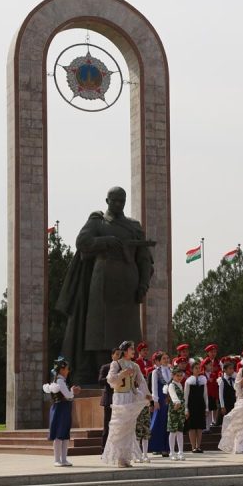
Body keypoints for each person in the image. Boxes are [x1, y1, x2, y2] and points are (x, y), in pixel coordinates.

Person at [55, 187, 154, 384]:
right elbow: (82, 241)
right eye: (115, 201)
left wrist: (143, 284)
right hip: (101, 285)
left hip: (128, 287)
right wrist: (106, 241)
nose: (118, 204)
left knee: (127, 333)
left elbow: (144, 260)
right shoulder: (98, 220)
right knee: (99, 332)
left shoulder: (134, 226)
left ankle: (131, 378)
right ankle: (101, 377)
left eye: (122, 201)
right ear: (107, 200)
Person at [102, 341, 149, 467]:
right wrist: (122, 374)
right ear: (125, 351)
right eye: (131, 348)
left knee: (129, 427)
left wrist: (147, 394)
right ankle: (119, 458)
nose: (133, 351)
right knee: (119, 427)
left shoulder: (135, 366)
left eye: (133, 348)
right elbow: (111, 380)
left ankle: (125, 458)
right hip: (119, 397)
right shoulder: (116, 363)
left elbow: (141, 381)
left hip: (130, 397)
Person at [43, 356, 82, 466]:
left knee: (64, 434)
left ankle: (63, 459)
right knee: (59, 434)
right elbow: (68, 396)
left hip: (63, 408)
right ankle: (57, 460)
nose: (68, 371)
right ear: (61, 369)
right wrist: (73, 391)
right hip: (61, 409)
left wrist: (71, 391)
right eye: (67, 369)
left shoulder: (60, 381)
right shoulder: (60, 381)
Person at [148, 351, 171, 457]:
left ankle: (167, 447)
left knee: (169, 423)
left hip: (170, 398)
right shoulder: (155, 372)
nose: (166, 360)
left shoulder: (172, 370)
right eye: (164, 358)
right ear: (159, 361)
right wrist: (155, 401)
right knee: (159, 423)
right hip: (160, 399)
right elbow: (154, 388)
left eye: (167, 358)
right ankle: (158, 447)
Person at [184, 359, 208, 454]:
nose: (198, 370)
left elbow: (205, 395)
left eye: (199, 368)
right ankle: (193, 446)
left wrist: (206, 407)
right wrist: (186, 408)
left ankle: (198, 446)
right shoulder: (188, 381)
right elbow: (186, 395)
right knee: (192, 427)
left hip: (200, 405)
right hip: (191, 405)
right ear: (192, 369)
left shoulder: (203, 380)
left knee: (200, 427)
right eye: (196, 368)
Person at [98, 349, 119, 449]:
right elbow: (100, 380)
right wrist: (111, 378)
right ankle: (104, 448)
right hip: (109, 399)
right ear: (112, 356)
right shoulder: (106, 367)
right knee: (108, 425)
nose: (118, 356)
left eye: (120, 354)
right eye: (117, 354)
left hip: (120, 399)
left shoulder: (123, 368)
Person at [166, 367, 186, 460]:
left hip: (181, 411)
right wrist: (176, 401)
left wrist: (185, 410)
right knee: (173, 431)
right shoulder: (171, 385)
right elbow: (173, 394)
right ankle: (172, 452)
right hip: (174, 410)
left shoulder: (180, 385)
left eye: (181, 375)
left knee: (180, 431)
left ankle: (180, 452)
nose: (179, 377)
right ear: (173, 376)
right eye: (177, 375)